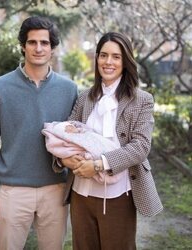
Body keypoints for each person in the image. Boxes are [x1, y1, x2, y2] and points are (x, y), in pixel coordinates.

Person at [0, 16, 77, 250]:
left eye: (44, 42)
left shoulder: (69, 89)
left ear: (52, 48)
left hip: (56, 189)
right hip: (13, 190)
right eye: (32, 42)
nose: (38, 48)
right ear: (23, 46)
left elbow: (77, 138)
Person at [61, 32, 163, 250]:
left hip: (119, 195)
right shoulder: (85, 97)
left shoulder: (141, 100)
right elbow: (67, 133)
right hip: (81, 193)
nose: (108, 62)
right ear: (96, 58)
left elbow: (141, 146)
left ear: (125, 61)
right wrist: (67, 160)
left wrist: (99, 165)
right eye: (103, 55)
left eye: (116, 57)